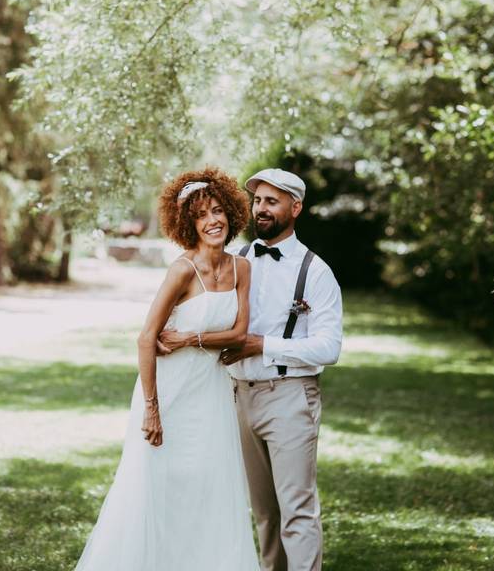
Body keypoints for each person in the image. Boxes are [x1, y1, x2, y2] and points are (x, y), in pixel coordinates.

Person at [74, 167, 260, 571]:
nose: (212, 221)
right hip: (169, 392)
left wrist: (191, 339)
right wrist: (152, 409)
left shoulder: (242, 268)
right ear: (187, 225)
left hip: (210, 391)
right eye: (201, 215)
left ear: (230, 212)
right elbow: (146, 338)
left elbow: (240, 333)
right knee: (156, 487)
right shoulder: (181, 270)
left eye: (217, 211)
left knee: (209, 487)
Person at [217, 168, 343, 571]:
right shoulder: (234, 260)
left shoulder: (316, 272)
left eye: (272, 201)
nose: (262, 209)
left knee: (297, 512)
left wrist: (261, 345)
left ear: (295, 207)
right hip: (239, 397)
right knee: (264, 515)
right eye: (257, 201)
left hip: (290, 397)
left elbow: (329, 347)